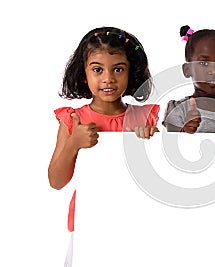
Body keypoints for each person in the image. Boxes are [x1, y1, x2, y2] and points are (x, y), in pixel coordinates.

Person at [48, 26, 159, 266]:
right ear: (83, 74)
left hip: (138, 221)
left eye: (118, 69)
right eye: (97, 70)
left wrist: (152, 136)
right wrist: (73, 144)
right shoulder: (73, 119)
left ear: (132, 73)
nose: (108, 78)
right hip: (90, 219)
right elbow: (56, 181)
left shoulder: (147, 117)